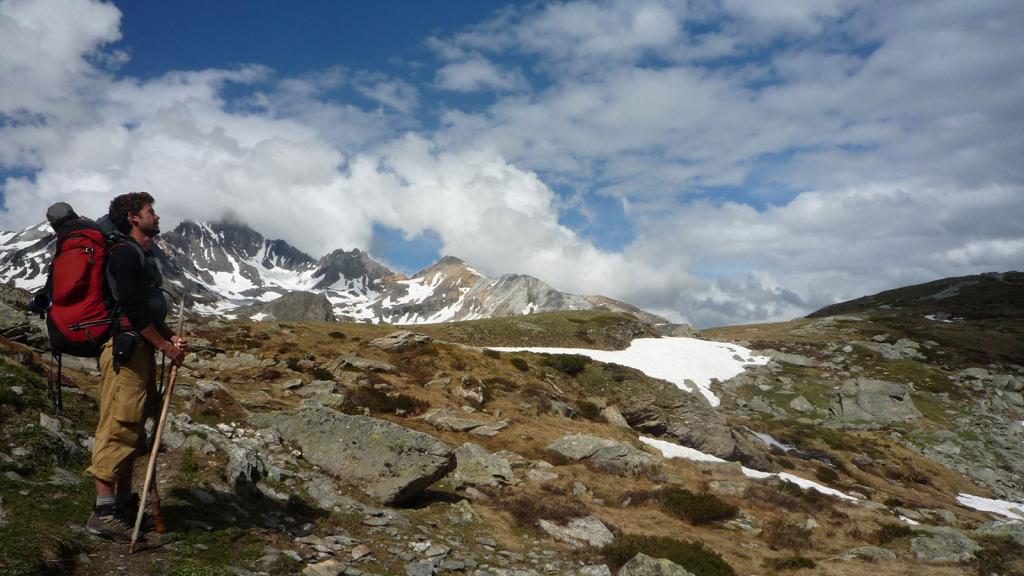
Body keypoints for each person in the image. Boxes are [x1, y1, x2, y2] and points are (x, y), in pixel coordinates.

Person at [85, 192, 187, 542]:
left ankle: (125, 505)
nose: (156, 217)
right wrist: (163, 345)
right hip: (125, 350)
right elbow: (130, 307)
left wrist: (169, 339)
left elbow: (147, 311)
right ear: (133, 217)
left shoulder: (143, 255)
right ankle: (104, 513)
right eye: (150, 212)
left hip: (140, 347)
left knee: (134, 427)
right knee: (119, 423)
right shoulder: (124, 254)